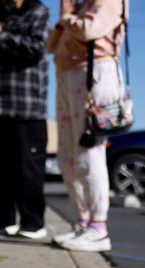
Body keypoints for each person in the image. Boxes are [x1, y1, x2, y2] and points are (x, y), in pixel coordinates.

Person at [47, 0, 128, 251]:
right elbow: (51, 46)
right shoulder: (79, 7)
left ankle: (99, 228)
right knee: (67, 155)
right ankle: (84, 222)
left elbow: (89, 30)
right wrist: (67, 19)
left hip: (95, 75)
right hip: (68, 76)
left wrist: (68, 17)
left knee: (89, 152)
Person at [0, 0, 50, 239]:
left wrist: (0, 36)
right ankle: (1, 219)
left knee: (28, 167)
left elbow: (35, 49)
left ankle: (32, 223)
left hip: (27, 106)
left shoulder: (38, 12)